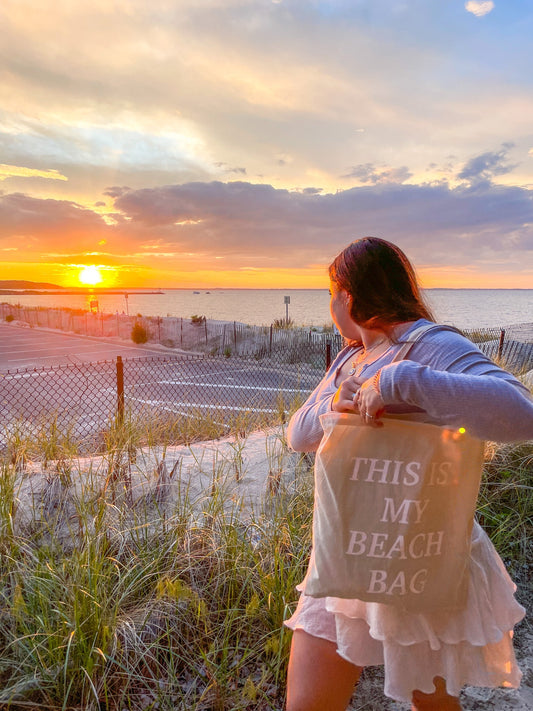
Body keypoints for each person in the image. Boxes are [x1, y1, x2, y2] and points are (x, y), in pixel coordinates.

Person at [284, 237, 533, 711]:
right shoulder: (349, 355)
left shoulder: (431, 343)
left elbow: (521, 412)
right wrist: (333, 404)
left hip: (419, 555)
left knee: (432, 706)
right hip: (348, 553)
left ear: (349, 296)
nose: (330, 306)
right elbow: (298, 433)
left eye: (330, 293)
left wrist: (400, 381)